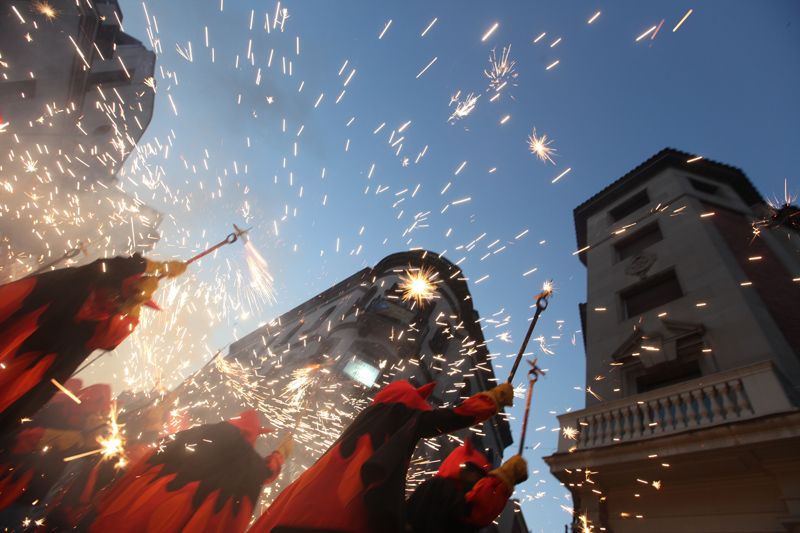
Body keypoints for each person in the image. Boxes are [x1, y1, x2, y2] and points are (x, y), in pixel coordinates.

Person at [248, 379, 513, 533]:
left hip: (303, 502)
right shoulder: (400, 415)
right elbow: (439, 420)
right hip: (339, 514)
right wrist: (489, 402)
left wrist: (278, 456)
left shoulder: (369, 416)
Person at [0, 254, 186, 432]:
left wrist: (133, 303)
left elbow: (112, 337)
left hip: (27, 365)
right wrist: (159, 266)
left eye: (121, 301)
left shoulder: (104, 322)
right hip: (17, 325)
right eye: (116, 294)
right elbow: (110, 266)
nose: (112, 303)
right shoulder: (80, 281)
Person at [87, 410, 292, 533]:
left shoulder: (195, 432)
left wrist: (110, 498)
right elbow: (265, 472)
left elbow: (148, 459)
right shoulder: (248, 462)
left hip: (142, 505)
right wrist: (280, 453)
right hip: (182, 518)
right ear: (253, 435)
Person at [0, 380, 111, 522]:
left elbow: (92, 443)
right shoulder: (53, 409)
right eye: (86, 397)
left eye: (95, 402)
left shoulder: (88, 428)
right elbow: (22, 432)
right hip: (11, 467)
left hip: (29, 494)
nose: (86, 401)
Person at [406, 440, 528, 533]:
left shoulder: (465, 498)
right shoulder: (441, 486)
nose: (474, 477)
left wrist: (503, 480)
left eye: (479, 474)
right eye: (472, 471)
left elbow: (476, 515)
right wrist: (503, 478)